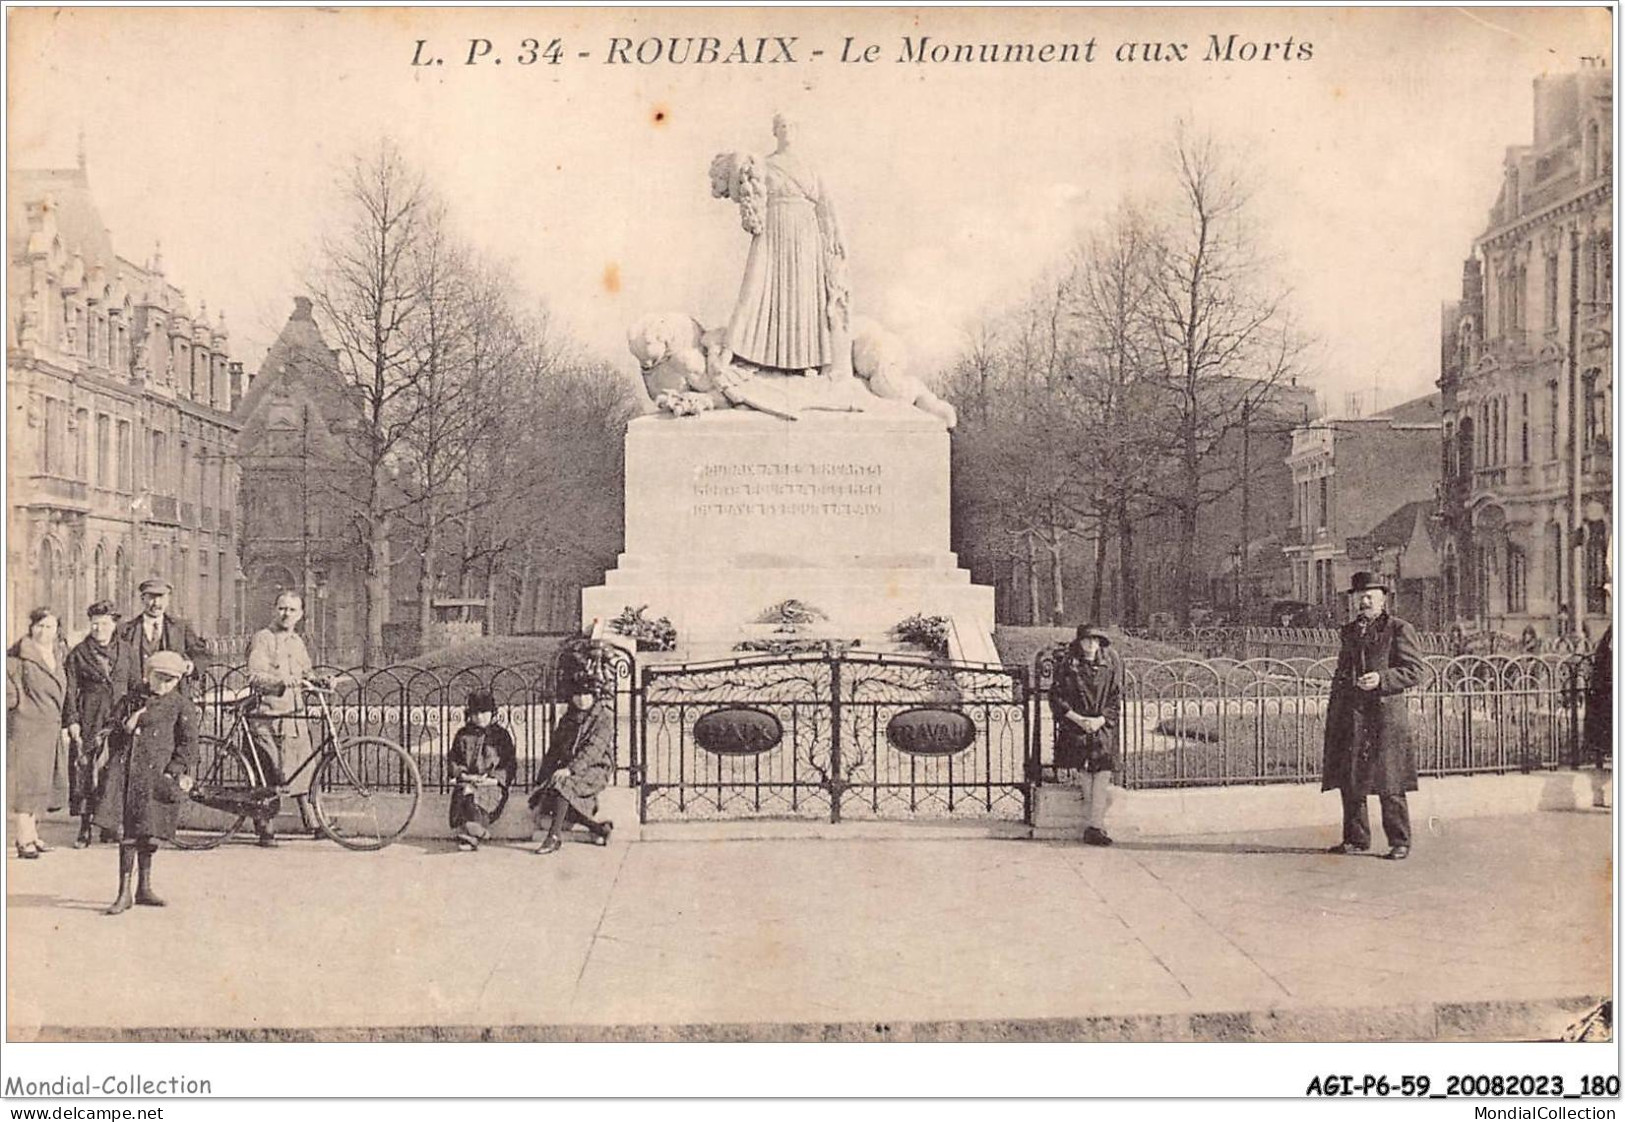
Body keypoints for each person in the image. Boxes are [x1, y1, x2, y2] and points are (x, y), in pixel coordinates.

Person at [716, 112, 849, 376]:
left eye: (790, 125)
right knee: (761, 288)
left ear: (796, 130)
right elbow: (742, 193)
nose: (786, 130)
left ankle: (807, 360)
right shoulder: (764, 164)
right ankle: (752, 354)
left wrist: (838, 235)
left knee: (804, 292)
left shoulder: (810, 167)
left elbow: (826, 204)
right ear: (775, 131)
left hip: (805, 232)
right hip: (773, 229)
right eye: (781, 126)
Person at [1322, 571, 1425, 860]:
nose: (1364, 601)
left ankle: (1399, 841)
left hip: (1384, 715)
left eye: (1370, 596)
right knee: (1350, 777)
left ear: (1383, 599)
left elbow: (1415, 671)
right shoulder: (1350, 631)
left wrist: (1382, 678)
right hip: (1352, 713)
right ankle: (1356, 839)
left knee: (1389, 780)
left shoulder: (1399, 628)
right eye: (1360, 596)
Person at [96, 650, 199, 914]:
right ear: (147, 674)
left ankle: (144, 887)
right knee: (128, 834)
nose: (164, 686)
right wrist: (126, 724)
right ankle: (124, 892)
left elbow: (189, 745)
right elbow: (110, 727)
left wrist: (172, 770)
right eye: (159, 678)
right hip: (128, 776)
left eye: (171, 680)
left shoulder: (180, 705)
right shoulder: (131, 699)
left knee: (149, 832)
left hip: (157, 777)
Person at [244, 591, 317, 847]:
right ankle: (265, 828)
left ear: (300, 615)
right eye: (282, 608)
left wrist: (319, 679)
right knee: (269, 774)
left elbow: (306, 671)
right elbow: (255, 675)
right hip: (268, 717)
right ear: (274, 609)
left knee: (302, 769)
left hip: (294, 717)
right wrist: (279, 681)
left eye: (292, 610)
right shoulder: (263, 638)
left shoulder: (297, 641)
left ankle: (314, 822)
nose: (286, 614)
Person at [530, 642, 617, 854]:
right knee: (548, 796)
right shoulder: (568, 718)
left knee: (563, 784)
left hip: (596, 768)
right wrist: (543, 775)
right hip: (571, 768)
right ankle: (598, 828)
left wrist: (569, 770)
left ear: (594, 695)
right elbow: (555, 748)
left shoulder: (603, 718)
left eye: (586, 695)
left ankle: (554, 837)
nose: (582, 699)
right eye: (577, 695)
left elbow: (593, 750)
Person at [1049, 622, 1123, 847]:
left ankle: (1094, 826)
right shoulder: (1068, 668)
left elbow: (1115, 699)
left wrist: (1100, 720)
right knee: (1086, 779)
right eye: (1086, 640)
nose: (1091, 644)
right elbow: (1057, 698)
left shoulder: (1109, 668)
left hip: (1102, 729)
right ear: (1079, 643)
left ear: (1100, 643)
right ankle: (1095, 827)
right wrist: (1078, 719)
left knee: (1101, 778)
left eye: (1095, 640)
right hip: (1077, 728)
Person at [7, 608, 71, 859]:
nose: (43, 632)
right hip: (28, 727)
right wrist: (19, 704)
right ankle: (23, 839)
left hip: (49, 727)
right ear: (31, 627)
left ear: (57, 631)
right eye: (39, 626)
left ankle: (32, 834)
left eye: (50, 627)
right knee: (26, 784)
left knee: (41, 783)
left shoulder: (56, 654)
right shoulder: (18, 657)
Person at [63, 600, 122, 847]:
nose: (99, 628)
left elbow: (135, 683)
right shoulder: (78, 653)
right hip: (89, 716)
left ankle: (108, 825)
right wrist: (73, 721)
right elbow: (70, 690)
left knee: (114, 772)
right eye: (95, 623)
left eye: (104, 623)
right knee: (85, 772)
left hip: (119, 716)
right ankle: (84, 828)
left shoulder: (126, 651)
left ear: (114, 624)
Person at [110, 577, 208, 703]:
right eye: (151, 597)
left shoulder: (180, 628)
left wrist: (191, 665)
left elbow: (202, 655)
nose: (156, 603)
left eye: (161, 597)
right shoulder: (125, 630)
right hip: (137, 698)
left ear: (168, 600)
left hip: (174, 698)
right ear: (142, 599)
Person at [448, 690, 518, 850]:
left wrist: (494, 778)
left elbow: (509, 764)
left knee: (482, 799)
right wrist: (463, 774)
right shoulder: (463, 735)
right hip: (469, 781)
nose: (480, 717)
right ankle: (475, 833)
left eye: (484, 713)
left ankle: (472, 833)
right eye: (475, 713)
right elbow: (454, 759)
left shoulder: (501, 735)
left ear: (492, 713)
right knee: (466, 793)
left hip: (492, 783)